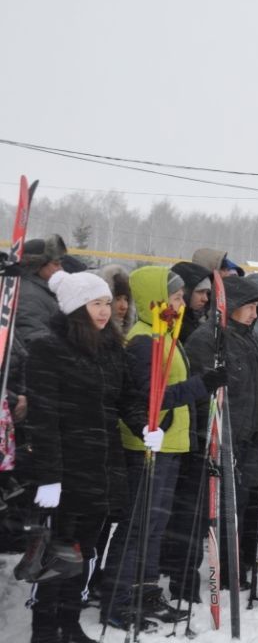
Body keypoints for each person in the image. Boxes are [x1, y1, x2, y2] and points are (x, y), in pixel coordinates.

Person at [23, 271, 143, 643]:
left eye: (108, 303)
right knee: (57, 553)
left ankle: (70, 624)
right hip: (65, 464)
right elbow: (44, 417)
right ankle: (44, 630)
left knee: (85, 550)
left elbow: (123, 399)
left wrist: (144, 425)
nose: (106, 310)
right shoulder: (48, 347)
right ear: (77, 307)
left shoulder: (111, 348)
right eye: (97, 303)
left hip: (101, 465)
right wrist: (49, 477)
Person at [104, 267, 220, 630]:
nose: (181, 303)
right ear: (156, 298)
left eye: (182, 297)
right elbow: (145, 398)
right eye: (174, 297)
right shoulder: (143, 340)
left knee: (155, 525)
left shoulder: (166, 334)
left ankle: (146, 589)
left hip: (170, 443)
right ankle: (118, 598)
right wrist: (201, 386)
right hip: (147, 444)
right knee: (139, 525)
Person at [186, 276, 258, 581]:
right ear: (231, 306)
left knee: (240, 502)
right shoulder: (207, 339)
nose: (254, 313)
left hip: (246, 437)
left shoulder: (248, 338)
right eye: (248, 306)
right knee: (218, 507)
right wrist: (210, 433)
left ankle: (233, 562)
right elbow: (201, 390)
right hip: (220, 437)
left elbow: (257, 388)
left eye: (257, 307)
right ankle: (216, 566)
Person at [169, 261, 212, 343]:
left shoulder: (197, 319)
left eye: (207, 293)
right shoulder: (177, 328)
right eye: (200, 291)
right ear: (186, 291)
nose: (205, 298)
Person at [95, 264, 135, 336]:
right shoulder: (95, 338)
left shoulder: (128, 336)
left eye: (126, 299)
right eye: (118, 299)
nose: (124, 306)